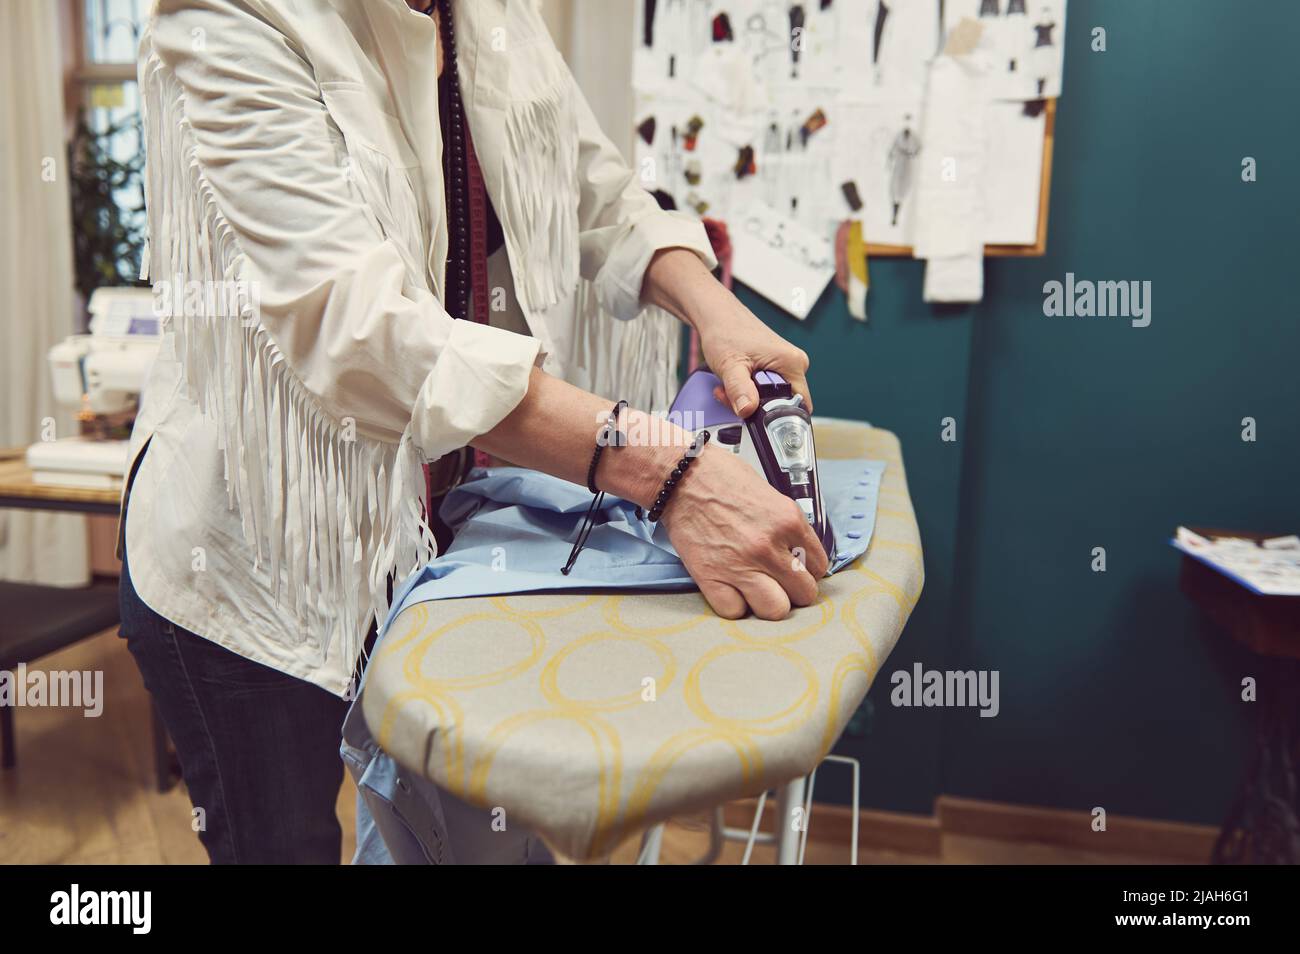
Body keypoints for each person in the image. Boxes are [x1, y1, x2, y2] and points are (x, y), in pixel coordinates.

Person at [119, 0, 827, 863]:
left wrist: (713, 307)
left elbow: (596, 194)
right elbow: (358, 329)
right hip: (252, 553)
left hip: (421, 531)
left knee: (452, 841)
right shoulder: (230, 18)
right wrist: (666, 473)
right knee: (284, 845)